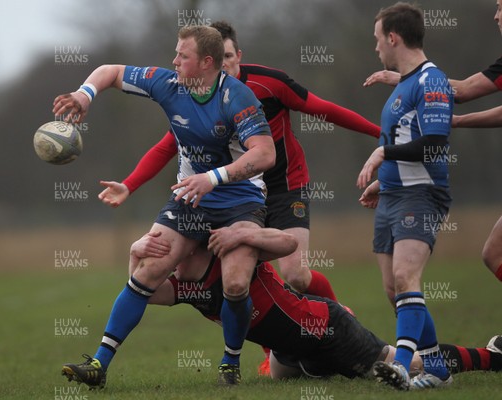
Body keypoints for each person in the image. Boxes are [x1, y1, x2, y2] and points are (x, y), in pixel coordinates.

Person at [98, 20, 382, 376]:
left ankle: (339, 326)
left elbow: (323, 109)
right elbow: (167, 146)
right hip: (228, 192)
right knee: (237, 275)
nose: (227, 65)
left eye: (230, 57)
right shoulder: (193, 94)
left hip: (284, 184)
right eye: (223, 58)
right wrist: (130, 184)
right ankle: (269, 350)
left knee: (295, 274)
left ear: (231, 57)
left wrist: (380, 133)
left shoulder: (263, 85)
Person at [53, 25, 276, 388]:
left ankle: (229, 363)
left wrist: (214, 178)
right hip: (189, 199)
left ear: (206, 62)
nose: (173, 61)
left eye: (182, 56)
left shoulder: (237, 97)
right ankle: (99, 364)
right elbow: (110, 71)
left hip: (240, 202)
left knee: (236, 284)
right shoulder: (168, 84)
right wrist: (85, 94)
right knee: (147, 269)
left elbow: (266, 154)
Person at [128, 226, 502, 381]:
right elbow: (142, 292)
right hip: (288, 352)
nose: (171, 262)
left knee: (411, 366)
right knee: (277, 374)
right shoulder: (186, 287)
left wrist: (244, 232)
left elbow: (289, 244)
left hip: (328, 330)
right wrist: (135, 253)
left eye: (176, 252)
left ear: (198, 246)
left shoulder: (234, 261)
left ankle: (490, 357)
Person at [363, 0, 502, 284]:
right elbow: (461, 91)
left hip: (424, 193)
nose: (496, 16)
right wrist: (408, 78)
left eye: (501, 7)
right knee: (493, 254)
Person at [356, 2, 455, 390]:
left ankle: (400, 365)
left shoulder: (432, 81)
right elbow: (404, 139)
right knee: (393, 289)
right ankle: (437, 369)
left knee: (405, 276)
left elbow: (433, 145)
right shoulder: (404, 84)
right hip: (394, 195)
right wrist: (384, 180)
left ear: (393, 37)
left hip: (423, 195)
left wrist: (382, 154)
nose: (376, 47)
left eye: (378, 39)